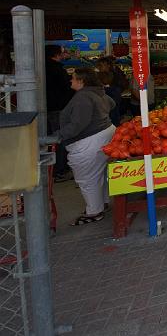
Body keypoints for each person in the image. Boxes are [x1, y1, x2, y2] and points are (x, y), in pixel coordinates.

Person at [55, 67, 116, 225]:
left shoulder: (83, 97)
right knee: (99, 173)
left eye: (73, 78)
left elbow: (78, 124)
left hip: (90, 141)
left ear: (81, 81)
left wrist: (59, 135)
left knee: (88, 178)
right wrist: (101, 116)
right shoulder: (98, 92)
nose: (71, 80)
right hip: (105, 134)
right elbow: (112, 103)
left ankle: (94, 211)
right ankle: (102, 203)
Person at [45, 44, 74, 182]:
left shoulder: (41, 67)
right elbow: (67, 88)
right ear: (56, 54)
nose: (64, 55)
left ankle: (51, 169)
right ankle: (60, 171)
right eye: (62, 53)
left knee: (48, 139)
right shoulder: (57, 69)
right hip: (58, 108)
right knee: (60, 138)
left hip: (46, 107)